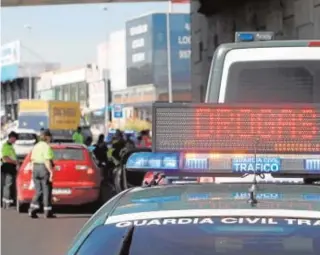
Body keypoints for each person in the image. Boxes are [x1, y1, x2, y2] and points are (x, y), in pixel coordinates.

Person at [28, 129, 56, 219]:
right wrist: (51, 172)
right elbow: (47, 160)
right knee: (46, 190)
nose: (50, 138)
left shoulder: (36, 146)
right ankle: (47, 211)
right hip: (44, 168)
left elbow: (32, 160)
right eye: (50, 137)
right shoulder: (46, 147)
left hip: (36, 168)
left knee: (38, 191)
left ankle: (32, 209)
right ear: (47, 137)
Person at [1, 131, 19, 209]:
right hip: (8, 167)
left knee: (7, 185)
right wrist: (15, 162)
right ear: (12, 138)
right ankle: (7, 203)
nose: (15, 141)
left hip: (10, 167)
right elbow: (5, 158)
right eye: (15, 139)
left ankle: (6, 202)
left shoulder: (10, 146)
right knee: (8, 185)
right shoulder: (6, 146)